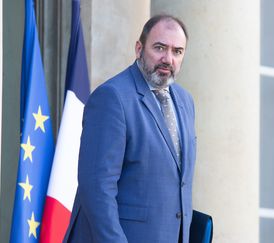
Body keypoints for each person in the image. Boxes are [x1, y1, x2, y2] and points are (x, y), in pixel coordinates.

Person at [63, 14, 197, 243]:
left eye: (177, 51)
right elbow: (96, 189)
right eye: (159, 48)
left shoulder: (185, 101)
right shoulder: (112, 97)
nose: (168, 59)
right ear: (139, 49)